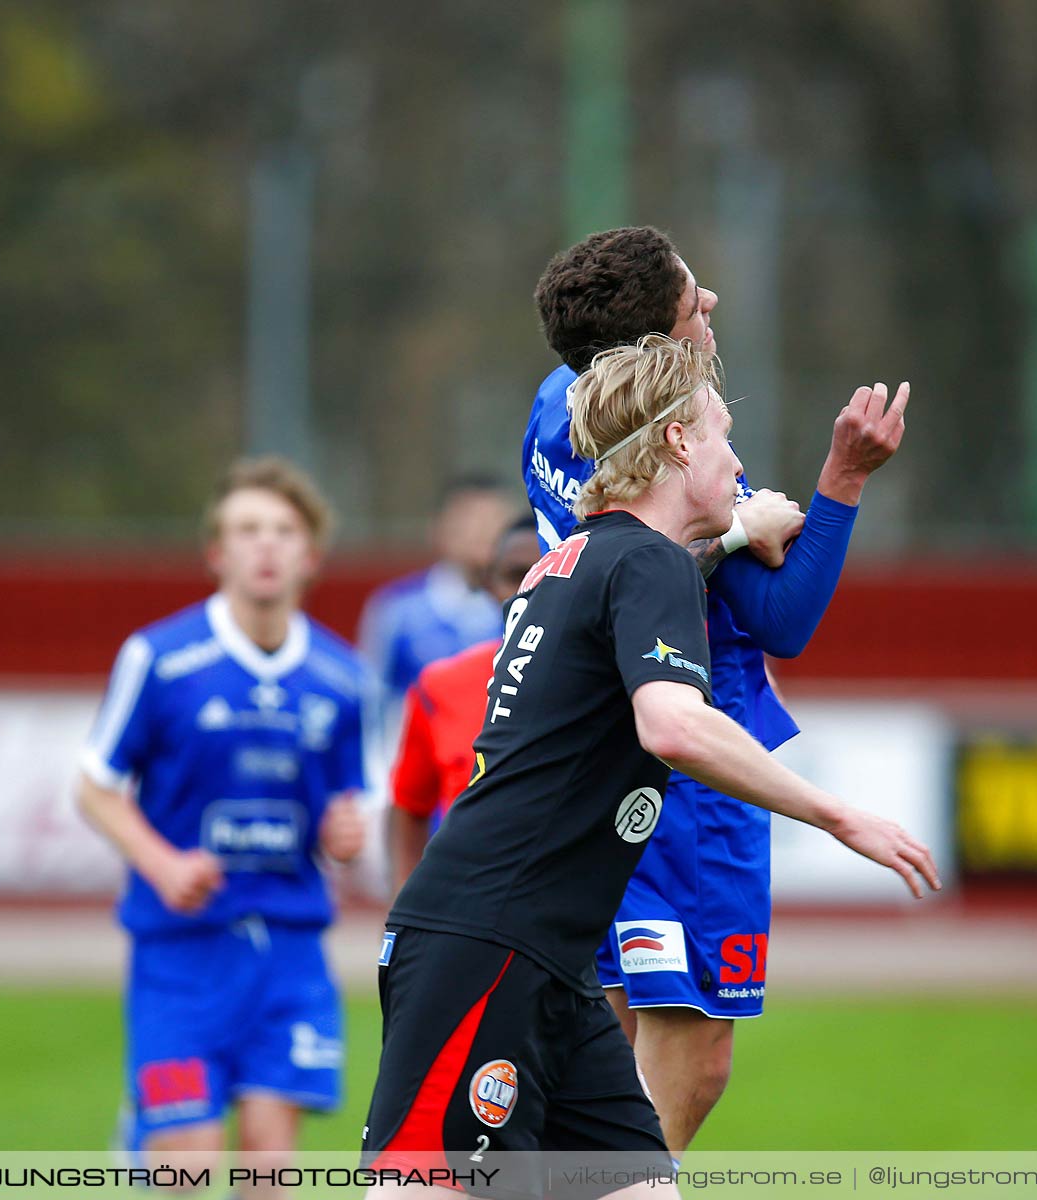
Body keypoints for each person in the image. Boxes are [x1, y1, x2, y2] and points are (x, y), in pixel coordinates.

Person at [363, 336, 937, 1199]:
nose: (736, 461)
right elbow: (673, 726)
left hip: (551, 967)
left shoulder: (578, 556)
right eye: (720, 436)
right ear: (675, 446)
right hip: (484, 946)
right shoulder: (647, 560)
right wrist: (838, 815)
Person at [524, 226, 909, 1154]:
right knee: (690, 1063)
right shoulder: (667, 450)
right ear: (659, 344)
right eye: (697, 302)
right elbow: (779, 620)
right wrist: (839, 483)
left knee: (608, 1049)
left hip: (599, 748)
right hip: (690, 762)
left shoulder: (552, 405)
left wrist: (738, 521)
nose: (714, 309)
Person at [76, 457, 368, 1187]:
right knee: (191, 1171)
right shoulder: (160, 659)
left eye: (282, 531)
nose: (264, 545)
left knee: (269, 1171)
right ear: (217, 551)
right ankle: (147, 1129)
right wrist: (163, 865)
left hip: (290, 957)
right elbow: (94, 789)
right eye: (246, 529)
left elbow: (342, 810)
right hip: (182, 956)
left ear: (310, 556)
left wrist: (344, 835)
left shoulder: (340, 676)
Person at [386, 514, 543, 894]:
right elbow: (408, 804)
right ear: (489, 585)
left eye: (546, 572)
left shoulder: (618, 682)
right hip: (465, 915)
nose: (528, 590)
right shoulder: (440, 685)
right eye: (514, 574)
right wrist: (405, 904)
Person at [358, 474, 515, 743]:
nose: (482, 531)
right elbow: (369, 702)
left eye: (494, 519)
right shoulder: (399, 610)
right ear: (440, 528)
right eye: (469, 520)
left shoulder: (528, 608)